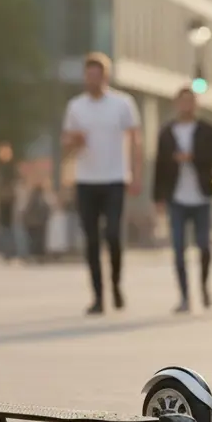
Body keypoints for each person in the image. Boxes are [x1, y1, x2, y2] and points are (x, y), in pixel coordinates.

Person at [61, 52, 143, 315]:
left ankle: (116, 285)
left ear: (105, 77)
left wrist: (136, 174)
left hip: (115, 179)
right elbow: (66, 144)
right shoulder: (76, 107)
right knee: (91, 240)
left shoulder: (123, 104)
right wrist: (74, 142)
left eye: (98, 75)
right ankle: (98, 296)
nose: (93, 80)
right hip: (85, 180)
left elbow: (136, 141)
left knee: (113, 235)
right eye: (89, 75)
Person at [153, 87, 212, 312]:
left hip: (201, 196)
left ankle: (204, 287)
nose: (186, 106)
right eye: (182, 102)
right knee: (179, 248)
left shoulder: (206, 130)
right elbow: (159, 166)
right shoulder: (167, 132)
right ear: (176, 104)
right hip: (176, 197)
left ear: (196, 104)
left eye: (190, 102)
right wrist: (158, 197)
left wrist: (193, 157)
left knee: (204, 246)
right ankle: (184, 296)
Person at [0, 142, 19, 262]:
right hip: (4, 202)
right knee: (4, 227)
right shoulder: (2, 168)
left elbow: (12, 185)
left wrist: (9, 194)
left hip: (9, 202)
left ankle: (10, 252)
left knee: (9, 228)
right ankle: (6, 252)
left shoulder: (10, 169)